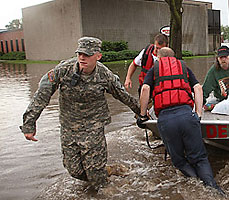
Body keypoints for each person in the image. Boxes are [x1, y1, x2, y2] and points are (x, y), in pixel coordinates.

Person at [20, 37, 141, 187]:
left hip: (94, 126)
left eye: (87, 55)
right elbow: (41, 96)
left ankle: (104, 187)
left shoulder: (104, 75)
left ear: (98, 56)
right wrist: (29, 124)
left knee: (95, 174)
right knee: (74, 170)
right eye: (80, 54)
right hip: (69, 126)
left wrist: (141, 112)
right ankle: (107, 171)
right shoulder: (63, 70)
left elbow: (122, 95)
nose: (82, 58)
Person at [137, 47, 224, 194]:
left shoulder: (154, 69)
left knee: (179, 161)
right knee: (200, 159)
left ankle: (196, 185)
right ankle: (213, 189)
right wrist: (198, 113)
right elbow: (198, 88)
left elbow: (145, 89)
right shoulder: (184, 67)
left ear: (158, 58)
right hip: (187, 117)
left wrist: (143, 115)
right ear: (174, 57)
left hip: (166, 120)